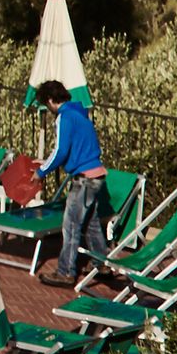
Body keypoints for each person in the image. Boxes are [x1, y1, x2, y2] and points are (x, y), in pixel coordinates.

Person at [37, 78, 110, 286]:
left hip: (84, 179)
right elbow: (77, 149)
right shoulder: (81, 113)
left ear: (50, 101)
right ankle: (101, 263)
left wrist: (41, 172)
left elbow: (61, 150)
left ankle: (65, 271)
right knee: (91, 223)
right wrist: (46, 162)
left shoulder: (65, 117)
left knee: (71, 224)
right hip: (96, 174)